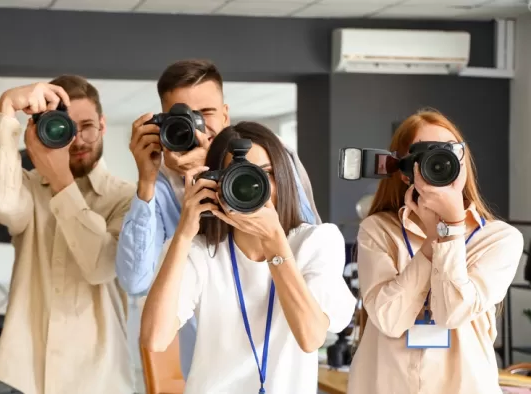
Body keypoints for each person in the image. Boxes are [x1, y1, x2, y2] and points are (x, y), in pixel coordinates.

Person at [116, 59, 321, 378]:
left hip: (282, 353)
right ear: (165, 123)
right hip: (207, 360)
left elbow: (306, 242)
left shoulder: (271, 161)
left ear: (225, 114)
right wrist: (146, 181)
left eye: (206, 114)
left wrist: (224, 174)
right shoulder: (158, 185)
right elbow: (135, 282)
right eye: (184, 117)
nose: (198, 126)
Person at [140, 122, 355, 393]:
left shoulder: (316, 242)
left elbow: (310, 336)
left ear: (283, 177)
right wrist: (183, 233)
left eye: (265, 174)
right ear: (216, 182)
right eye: (238, 176)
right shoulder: (199, 251)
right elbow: (155, 339)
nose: (252, 187)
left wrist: (274, 241)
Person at [347, 110, 523, 394]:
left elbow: (452, 313)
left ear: (465, 162)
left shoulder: (499, 239)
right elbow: (389, 319)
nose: (441, 161)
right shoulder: (379, 230)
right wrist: (433, 240)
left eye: (451, 151)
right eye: (425, 154)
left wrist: (451, 230)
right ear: (405, 172)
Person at [0, 76, 135, 394]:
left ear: (103, 125)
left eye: (87, 125)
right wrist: (6, 109)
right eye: (65, 126)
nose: (76, 140)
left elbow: (101, 266)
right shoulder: (30, 187)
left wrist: (61, 179)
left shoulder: (128, 198)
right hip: (23, 372)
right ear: (41, 131)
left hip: (99, 377)